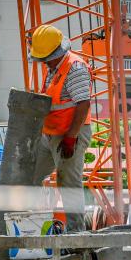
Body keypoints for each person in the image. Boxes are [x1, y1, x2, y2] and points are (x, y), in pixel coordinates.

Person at [30, 25, 93, 232]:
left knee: (69, 184)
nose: (44, 62)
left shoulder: (74, 68)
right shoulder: (54, 69)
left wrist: (70, 137)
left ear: (56, 52)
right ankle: (30, 224)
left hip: (69, 135)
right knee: (30, 175)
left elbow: (83, 104)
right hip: (50, 135)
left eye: (46, 58)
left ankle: (76, 234)